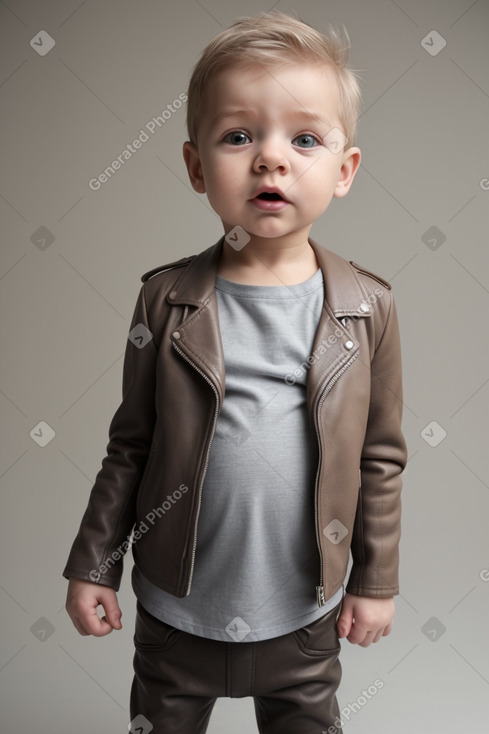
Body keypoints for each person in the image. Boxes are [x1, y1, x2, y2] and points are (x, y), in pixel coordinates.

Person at [64, 10, 407, 734]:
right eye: (238, 136)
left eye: (304, 138)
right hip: (176, 610)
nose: (270, 159)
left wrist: (374, 582)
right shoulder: (165, 299)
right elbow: (130, 443)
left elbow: (378, 456)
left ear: (343, 171)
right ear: (196, 167)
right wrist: (95, 562)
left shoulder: (365, 307)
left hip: (301, 616)